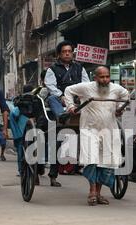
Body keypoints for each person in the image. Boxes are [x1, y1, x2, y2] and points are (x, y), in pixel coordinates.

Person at [65, 66, 129, 206]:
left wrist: (119, 110)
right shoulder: (86, 87)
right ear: (95, 78)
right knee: (91, 160)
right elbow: (68, 90)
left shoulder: (116, 89)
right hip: (89, 129)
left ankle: (98, 193)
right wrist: (70, 106)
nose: (105, 80)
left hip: (109, 129)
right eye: (102, 77)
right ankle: (92, 191)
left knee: (104, 162)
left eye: (107, 77)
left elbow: (126, 96)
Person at [44, 41, 90, 187]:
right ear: (59, 54)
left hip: (76, 101)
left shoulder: (80, 68)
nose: (67, 53)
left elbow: (86, 84)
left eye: (69, 51)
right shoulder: (52, 69)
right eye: (64, 51)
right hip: (60, 100)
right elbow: (51, 86)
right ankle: (62, 117)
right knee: (51, 98)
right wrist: (61, 96)